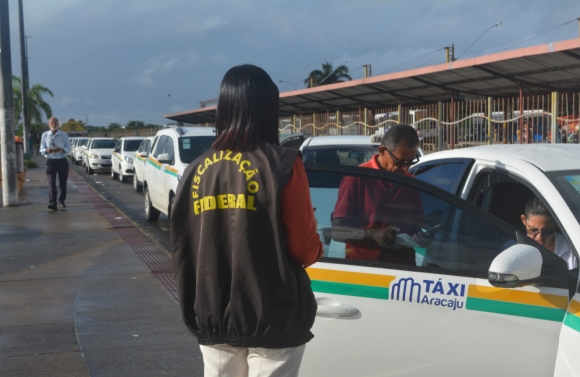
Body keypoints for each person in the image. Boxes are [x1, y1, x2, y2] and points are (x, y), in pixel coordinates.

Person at [170, 64, 323, 377]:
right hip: (273, 316)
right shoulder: (283, 164)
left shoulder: (194, 170)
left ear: (223, 109)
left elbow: (183, 248)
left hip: (211, 312)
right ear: (268, 110)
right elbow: (304, 249)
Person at [332, 124, 432, 264]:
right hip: (365, 268)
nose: (405, 168)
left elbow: (415, 227)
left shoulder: (410, 182)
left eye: (410, 162)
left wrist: (423, 238)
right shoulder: (356, 179)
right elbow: (337, 231)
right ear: (382, 150)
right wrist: (372, 234)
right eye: (400, 162)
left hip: (404, 268)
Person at [521, 196, 578, 270]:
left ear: (557, 224)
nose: (539, 237)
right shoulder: (514, 248)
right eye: (534, 230)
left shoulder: (572, 249)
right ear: (524, 220)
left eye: (547, 231)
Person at [40, 117, 71, 210]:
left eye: (55, 122)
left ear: (58, 124)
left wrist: (62, 149)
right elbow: (41, 148)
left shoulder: (63, 134)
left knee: (63, 182)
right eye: (51, 122)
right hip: (51, 161)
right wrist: (47, 150)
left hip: (62, 160)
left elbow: (68, 147)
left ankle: (61, 200)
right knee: (51, 182)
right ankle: (53, 202)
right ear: (49, 124)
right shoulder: (45, 135)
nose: (53, 124)